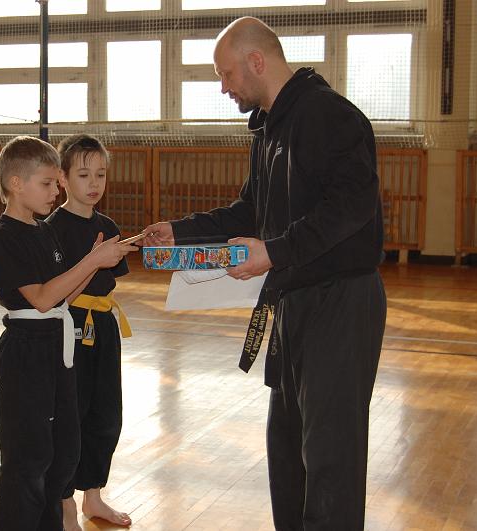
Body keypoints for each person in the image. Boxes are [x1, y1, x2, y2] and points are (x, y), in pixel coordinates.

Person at [144, 17, 387, 530]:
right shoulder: (268, 129)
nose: (223, 87)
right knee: (287, 448)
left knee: (331, 454)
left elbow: (352, 206)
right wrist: (180, 231)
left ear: (257, 61)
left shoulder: (329, 115)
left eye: (226, 73)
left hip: (340, 301)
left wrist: (274, 252)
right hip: (293, 299)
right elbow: (251, 211)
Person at [0, 136, 138, 530]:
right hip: (26, 351)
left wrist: (95, 262)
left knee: (62, 452)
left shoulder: (41, 230)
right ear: (16, 183)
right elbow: (40, 299)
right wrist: (91, 261)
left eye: (56, 183)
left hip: (57, 345)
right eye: (48, 183)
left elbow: (62, 298)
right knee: (28, 458)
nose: (56, 191)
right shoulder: (4, 235)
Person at [45, 134, 132, 530]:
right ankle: (64, 501)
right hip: (69, 326)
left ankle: (92, 496)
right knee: (71, 415)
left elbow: (112, 276)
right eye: (83, 175)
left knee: (105, 412)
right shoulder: (51, 229)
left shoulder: (108, 225)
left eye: (100, 174)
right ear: (62, 178)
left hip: (104, 325)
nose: (94, 183)